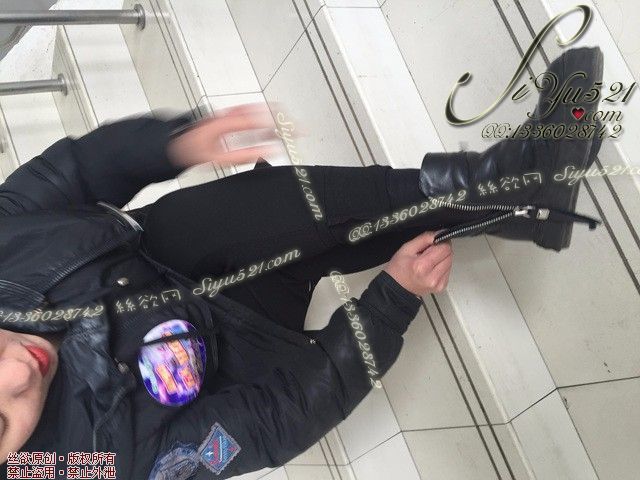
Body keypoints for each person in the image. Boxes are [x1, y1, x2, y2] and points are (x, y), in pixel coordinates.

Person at [0, 46, 602, 479]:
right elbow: (272, 423)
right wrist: (390, 301)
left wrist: (172, 144)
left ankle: (507, 190)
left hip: (162, 252)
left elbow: (69, 174)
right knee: (293, 244)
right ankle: (518, 190)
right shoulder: (92, 467)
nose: (20, 374)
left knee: (265, 211)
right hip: (242, 348)